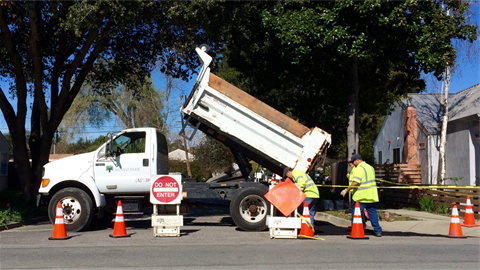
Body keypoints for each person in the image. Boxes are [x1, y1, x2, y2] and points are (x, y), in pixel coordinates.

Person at [340, 154, 382, 237]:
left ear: (357, 160)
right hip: (371, 195)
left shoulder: (359, 168)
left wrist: (346, 189)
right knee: (372, 213)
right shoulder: (370, 167)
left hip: (361, 196)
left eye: (353, 162)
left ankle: (358, 228)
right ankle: (378, 231)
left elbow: (356, 182)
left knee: (357, 213)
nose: (352, 163)